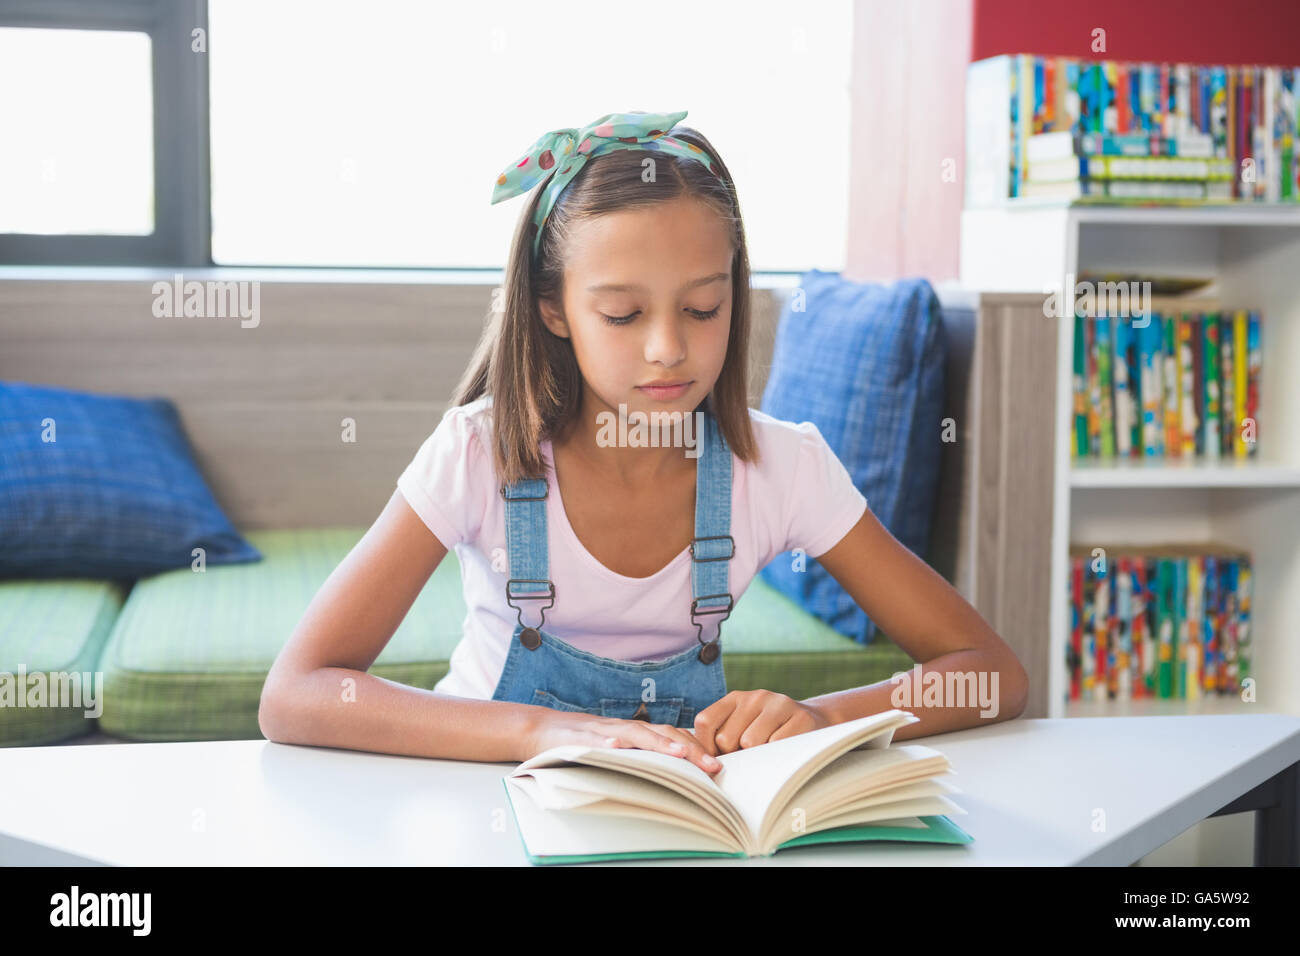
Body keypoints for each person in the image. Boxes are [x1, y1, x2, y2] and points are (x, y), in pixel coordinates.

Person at [259, 109, 1029, 776]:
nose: (668, 348)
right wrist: (546, 730)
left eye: (703, 309)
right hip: (487, 798)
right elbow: (298, 691)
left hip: (675, 818)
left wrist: (824, 719)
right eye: (623, 315)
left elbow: (991, 674)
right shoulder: (477, 452)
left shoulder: (783, 466)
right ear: (553, 308)